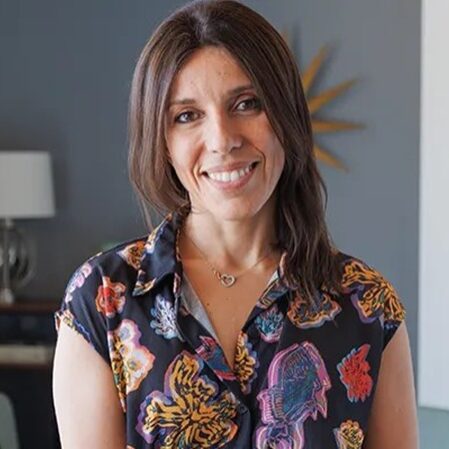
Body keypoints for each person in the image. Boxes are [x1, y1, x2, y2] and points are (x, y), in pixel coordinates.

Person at [52, 1, 419, 448]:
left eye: (246, 104)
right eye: (187, 116)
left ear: (285, 117)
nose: (222, 139)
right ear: (162, 142)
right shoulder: (102, 302)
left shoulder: (368, 305)